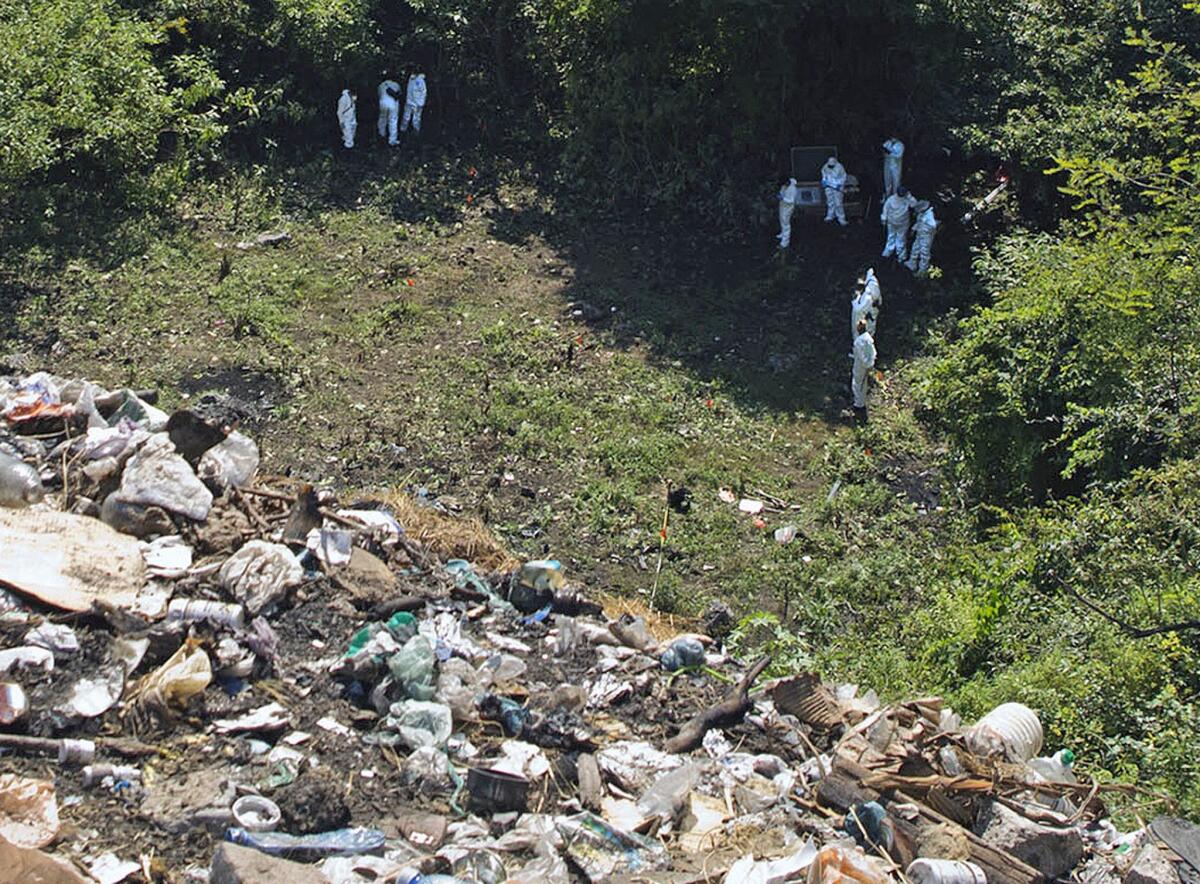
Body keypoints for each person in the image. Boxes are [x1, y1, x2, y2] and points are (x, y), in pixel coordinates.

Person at [852, 318, 877, 422]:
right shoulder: (868, 338)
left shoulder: (858, 342)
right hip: (866, 365)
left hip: (860, 366)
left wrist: (867, 365)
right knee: (863, 384)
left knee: (858, 384)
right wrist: (871, 363)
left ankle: (858, 405)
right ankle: (860, 402)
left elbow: (861, 356)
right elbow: (873, 352)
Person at [880, 186, 916, 260]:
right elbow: (885, 209)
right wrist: (884, 219)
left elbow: (914, 204)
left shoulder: (904, 199)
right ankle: (894, 253)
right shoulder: (891, 199)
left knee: (899, 238)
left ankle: (899, 254)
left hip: (901, 223)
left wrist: (884, 219)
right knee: (895, 237)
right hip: (894, 222)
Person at [850, 268, 881, 345]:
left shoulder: (872, 283)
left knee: (867, 331)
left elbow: (875, 298)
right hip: (862, 312)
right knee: (859, 332)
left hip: (868, 312)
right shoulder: (866, 283)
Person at [906, 200, 938, 273]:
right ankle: (912, 264)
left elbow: (933, 226)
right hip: (920, 234)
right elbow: (919, 222)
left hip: (926, 236)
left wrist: (927, 232)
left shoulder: (930, 215)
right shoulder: (922, 214)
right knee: (915, 248)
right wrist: (913, 229)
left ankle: (922, 270)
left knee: (924, 252)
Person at [821, 156, 848, 226]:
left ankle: (841, 218)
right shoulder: (826, 166)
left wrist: (839, 184)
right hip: (828, 186)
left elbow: (844, 177)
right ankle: (830, 215)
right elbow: (823, 173)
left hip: (837, 187)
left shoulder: (840, 167)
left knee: (838, 203)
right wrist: (824, 180)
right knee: (830, 202)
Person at [377, 77, 402, 146]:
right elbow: (399, 93)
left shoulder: (381, 85)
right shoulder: (396, 84)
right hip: (393, 104)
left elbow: (379, 95)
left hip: (382, 103)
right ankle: (392, 140)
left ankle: (381, 134)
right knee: (393, 121)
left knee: (382, 119)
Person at [777, 177, 798, 248]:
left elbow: (791, 201)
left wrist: (783, 198)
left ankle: (785, 242)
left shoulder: (793, 189)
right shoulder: (784, 186)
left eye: (785, 184)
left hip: (788, 208)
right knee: (781, 220)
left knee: (786, 223)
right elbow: (781, 192)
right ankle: (782, 234)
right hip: (782, 206)